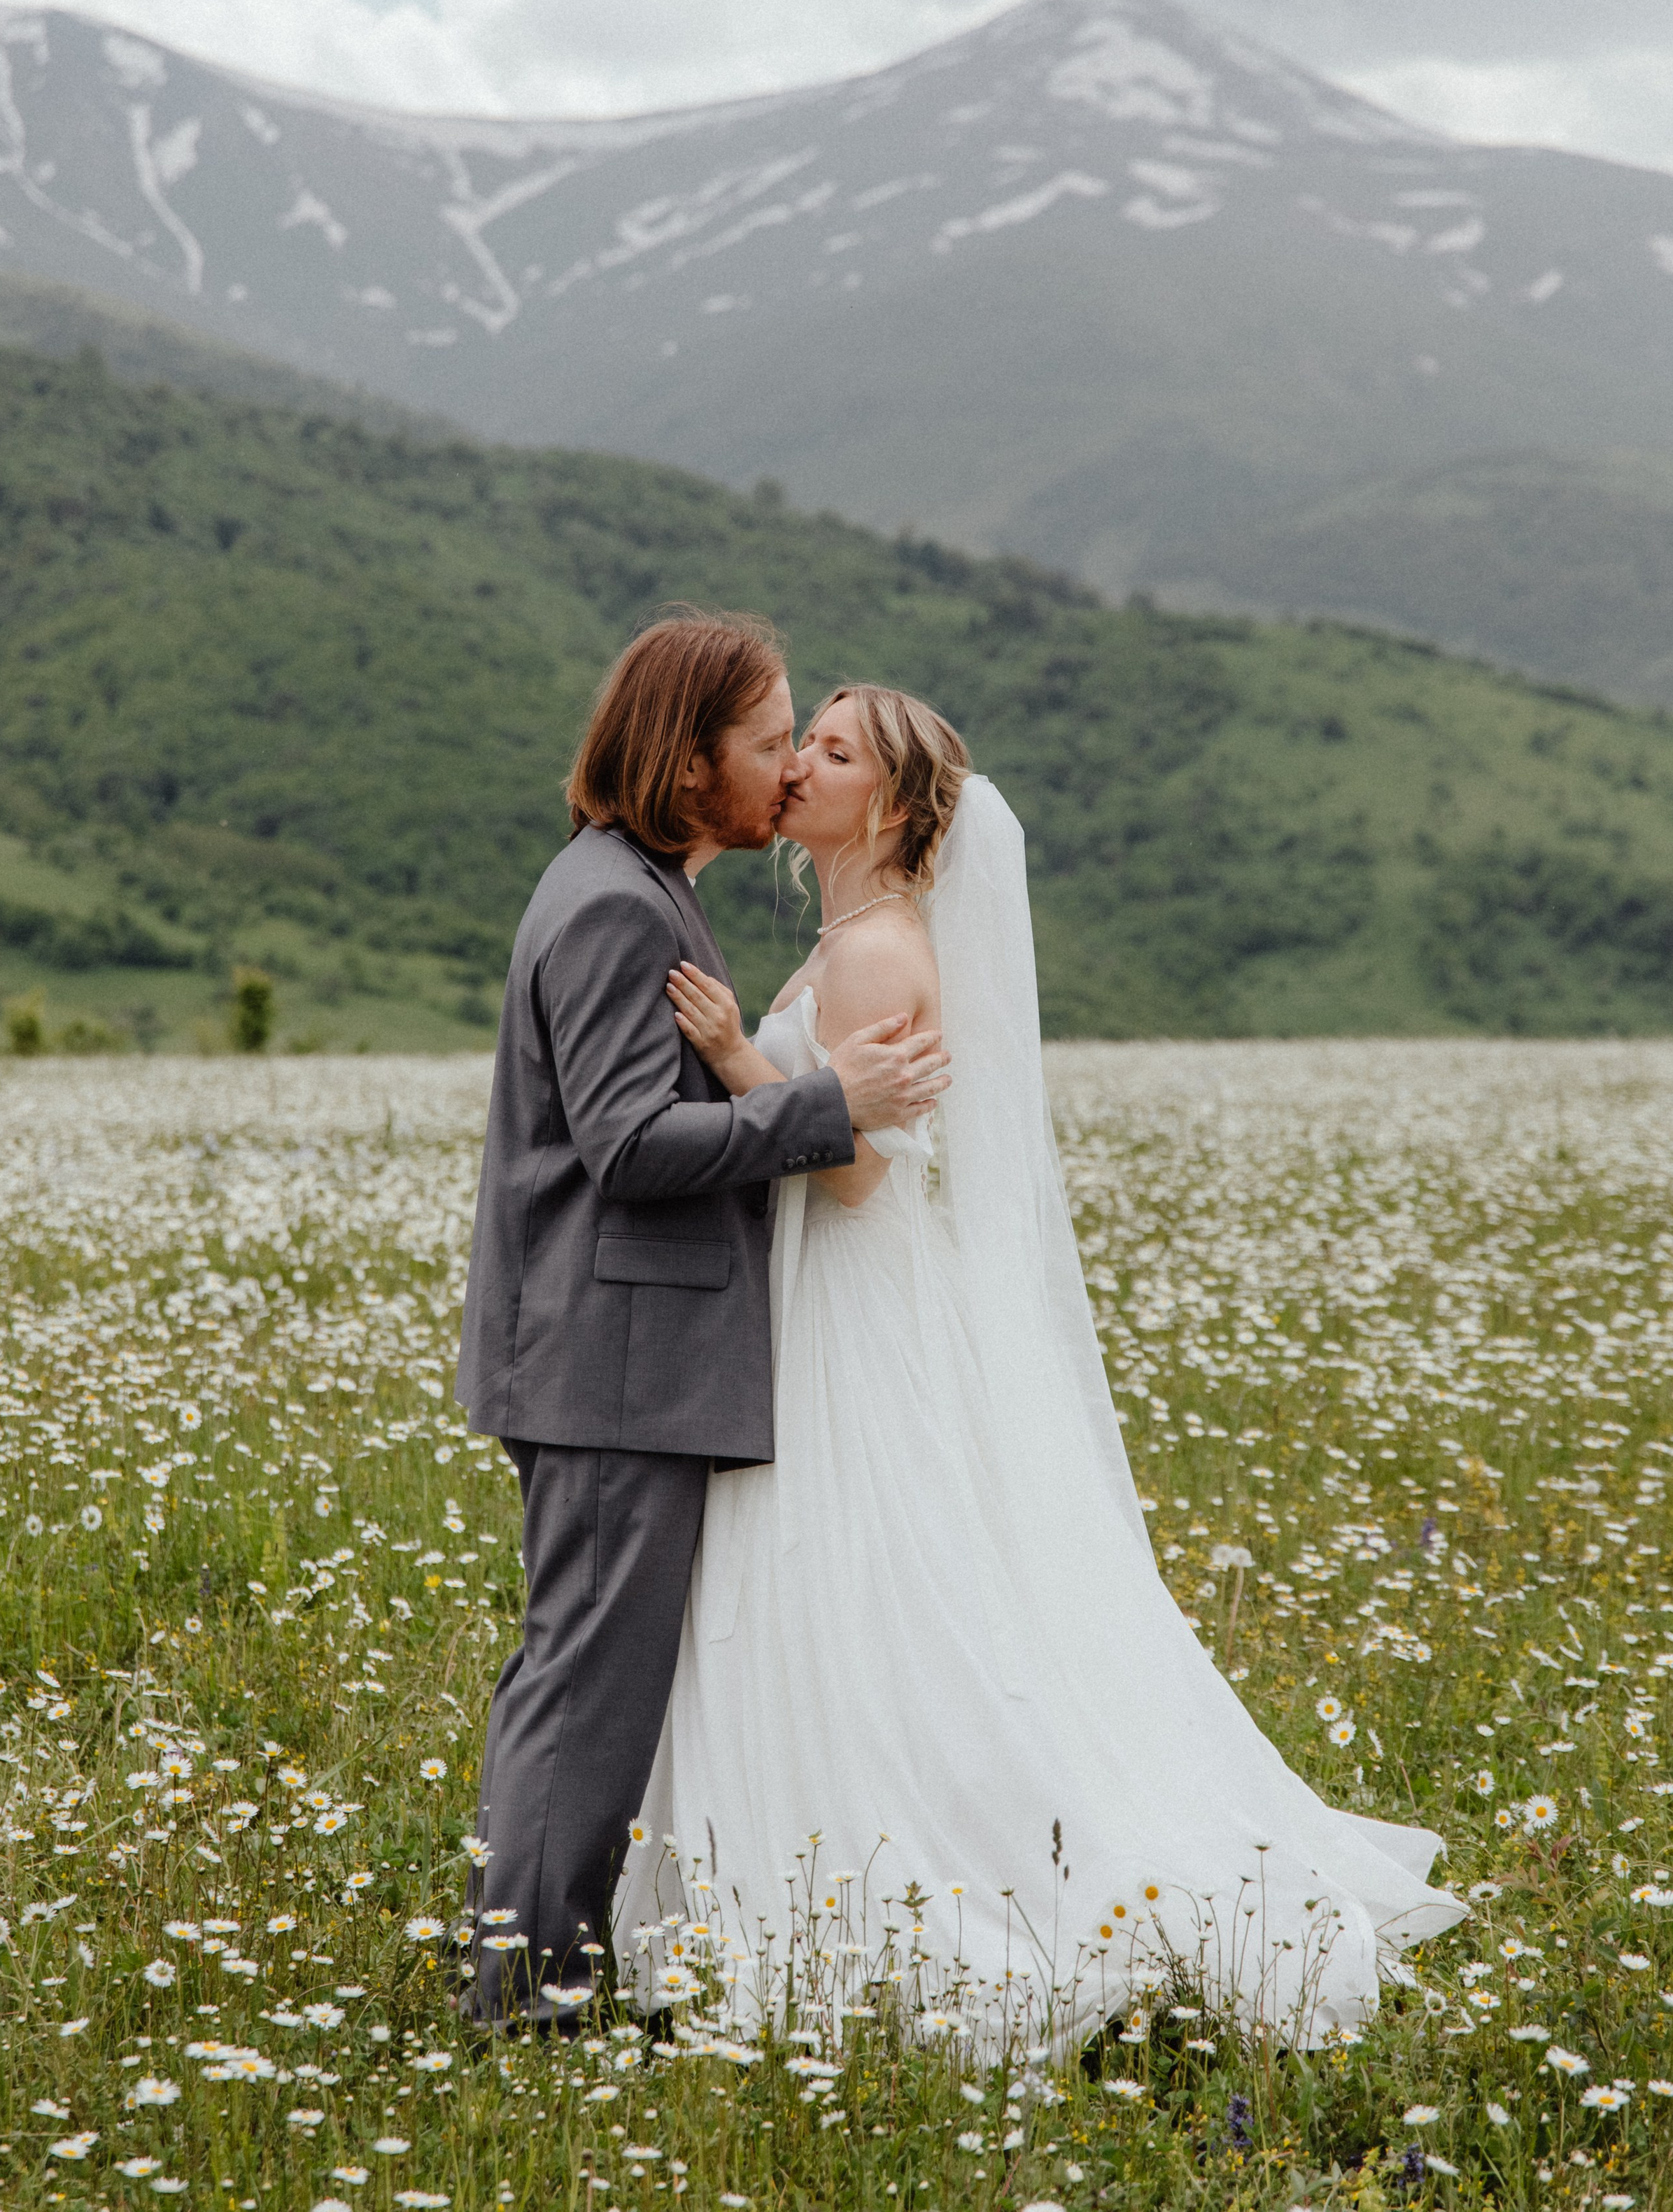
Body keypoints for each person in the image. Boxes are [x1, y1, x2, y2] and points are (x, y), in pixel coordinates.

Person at [614, 683, 1463, 2050]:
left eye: (829, 754)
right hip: (821, 1297)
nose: (798, 769)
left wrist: (726, 1056)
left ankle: (916, 1878)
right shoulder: (847, 937)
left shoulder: (877, 952)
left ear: (885, 805)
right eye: (805, 744)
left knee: (864, 1582)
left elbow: (853, 1178)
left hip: (850, 1302)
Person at [453, 614, 951, 2029]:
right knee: (584, 1690)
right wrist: (822, 1106)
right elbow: (626, 1144)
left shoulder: (626, 884)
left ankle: (523, 1966)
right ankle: (525, 2004)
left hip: (607, 1354)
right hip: (614, 1363)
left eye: (803, 738)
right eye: (765, 738)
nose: (785, 764)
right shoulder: (615, 902)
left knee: (572, 1675)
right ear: (687, 760)